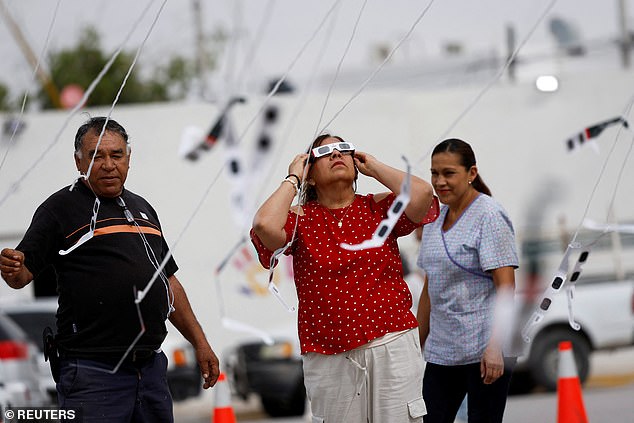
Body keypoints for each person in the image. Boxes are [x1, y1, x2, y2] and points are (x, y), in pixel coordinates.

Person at [0, 117, 219, 422]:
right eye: (96, 156)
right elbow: (22, 275)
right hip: (93, 374)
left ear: (129, 158)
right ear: (79, 161)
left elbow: (168, 282)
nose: (108, 164)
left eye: (116, 155)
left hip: (150, 371)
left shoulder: (144, 209)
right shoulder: (59, 209)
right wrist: (12, 267)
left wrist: (200, 342)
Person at [250, 134, 439, 422]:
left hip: (392, 344)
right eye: (324, 152)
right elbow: (264, 225)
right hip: (329, 355)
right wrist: (292, 178)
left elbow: (423, 195)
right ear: (310, 174)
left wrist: (374, 166)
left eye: (343, 149)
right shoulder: (300, 219)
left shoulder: (377, 208)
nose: (336, 154)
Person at [416, 138, 518, 423]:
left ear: (471, 173)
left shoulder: (489, 215)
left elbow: (506, 286)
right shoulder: (435, 217)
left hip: (486, 349)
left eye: (448, 173)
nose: (439, 181)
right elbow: (429, 289)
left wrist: (495, 346)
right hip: (443, 350)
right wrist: (416, 346)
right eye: (435, 173)